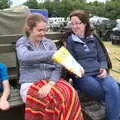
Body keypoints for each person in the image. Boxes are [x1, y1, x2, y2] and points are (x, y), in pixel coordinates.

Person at [16, 13, 84, 120]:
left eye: (45, 30)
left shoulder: (49, 44)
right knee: (53, 99)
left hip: (51, 81)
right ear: (29, 29)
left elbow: (58, 65)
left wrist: (51, 83)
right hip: (31, 82)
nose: (43, 33)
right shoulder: (22, 42)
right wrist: (51, 54)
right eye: (40, 30)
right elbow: (24, 57)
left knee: (71, 92)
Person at [66, 10, 120, 120]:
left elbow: (102, 56)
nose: (75, 26)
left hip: (100, 73)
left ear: (85, 24)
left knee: (113, 86)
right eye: (72, 23)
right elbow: (71, 61)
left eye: (78, 23)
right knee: (113, 90)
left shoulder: (93, 38)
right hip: (83, 76)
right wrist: (77, 71)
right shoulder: (70, 40)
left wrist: (104, 68)